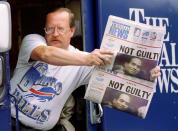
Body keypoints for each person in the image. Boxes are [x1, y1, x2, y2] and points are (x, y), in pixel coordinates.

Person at [10, 8, 113, 131]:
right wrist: (87, 59)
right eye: (50, 28)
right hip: (7, 121)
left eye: (60, 28)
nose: (55, 34)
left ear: (72, 31)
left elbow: (113, 75)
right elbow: (45, 54)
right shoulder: (32, 40)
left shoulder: (84, 61)